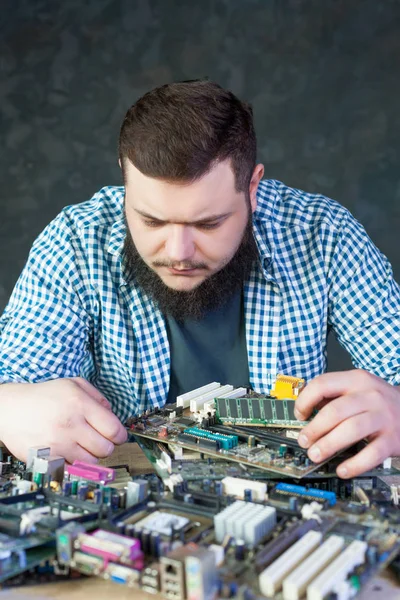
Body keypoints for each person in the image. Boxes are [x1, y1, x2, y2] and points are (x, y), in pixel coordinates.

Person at [0, 80, 399, 476]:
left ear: (253, 187)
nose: (178, 252)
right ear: (125, 179)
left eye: (208, 223)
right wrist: (8, 404)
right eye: (152, 220)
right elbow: (15, 376)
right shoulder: (75, 239)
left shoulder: (324, 234)